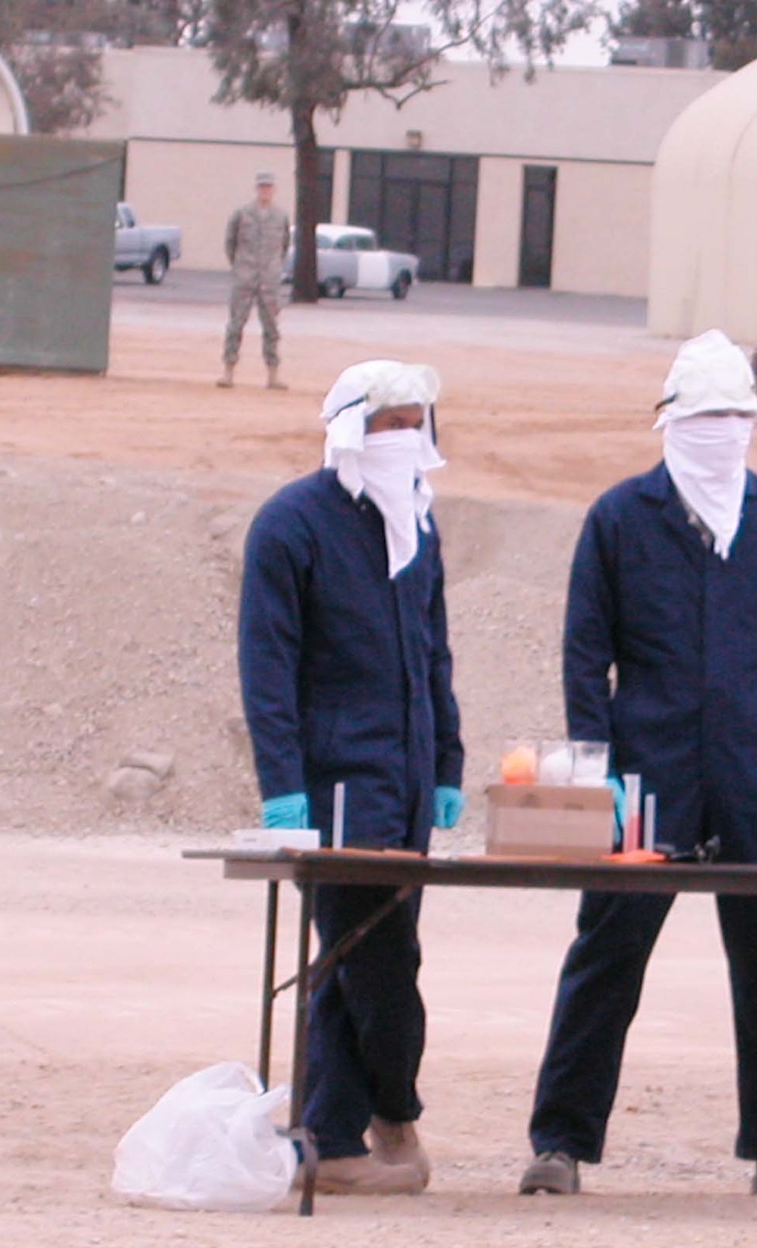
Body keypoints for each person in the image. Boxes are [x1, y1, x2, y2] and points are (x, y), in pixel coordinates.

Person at [517, 330, 757, 1200]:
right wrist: (594, 762)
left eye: (735, 416)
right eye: (705, 416)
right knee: (608, 953)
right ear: (671, 421)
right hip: (645, 773)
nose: (721, 431)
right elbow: (583, 653)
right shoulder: (619, 519)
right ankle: (560, 1143)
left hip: (755, 773)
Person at [237, 360, 465, 1194]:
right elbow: (268, 667)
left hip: (405, 785)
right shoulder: (291, 525)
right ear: (349, 430)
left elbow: (433, 657)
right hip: (332, 782)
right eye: (389, 422)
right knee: (365, 959)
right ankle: (374, 1120)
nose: (406, 437)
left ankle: (338, 1136)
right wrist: (282, 785)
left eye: (418, 421)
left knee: (363, 954)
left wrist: (446, 763)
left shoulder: (417, 527)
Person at [220, 171, 290, 391]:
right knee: (236, 323)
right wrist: (240, 266)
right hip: (245, 275)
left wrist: (273, 269)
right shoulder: (242, 214)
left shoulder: (281, 217)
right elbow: (230, 243)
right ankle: (228, 371)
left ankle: (273, 375)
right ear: (256, 189)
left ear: (274, 189)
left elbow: (284, 246)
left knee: (271, 326)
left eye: (269, 187)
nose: (265, 191)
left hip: (269, 279)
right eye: (262, 187)